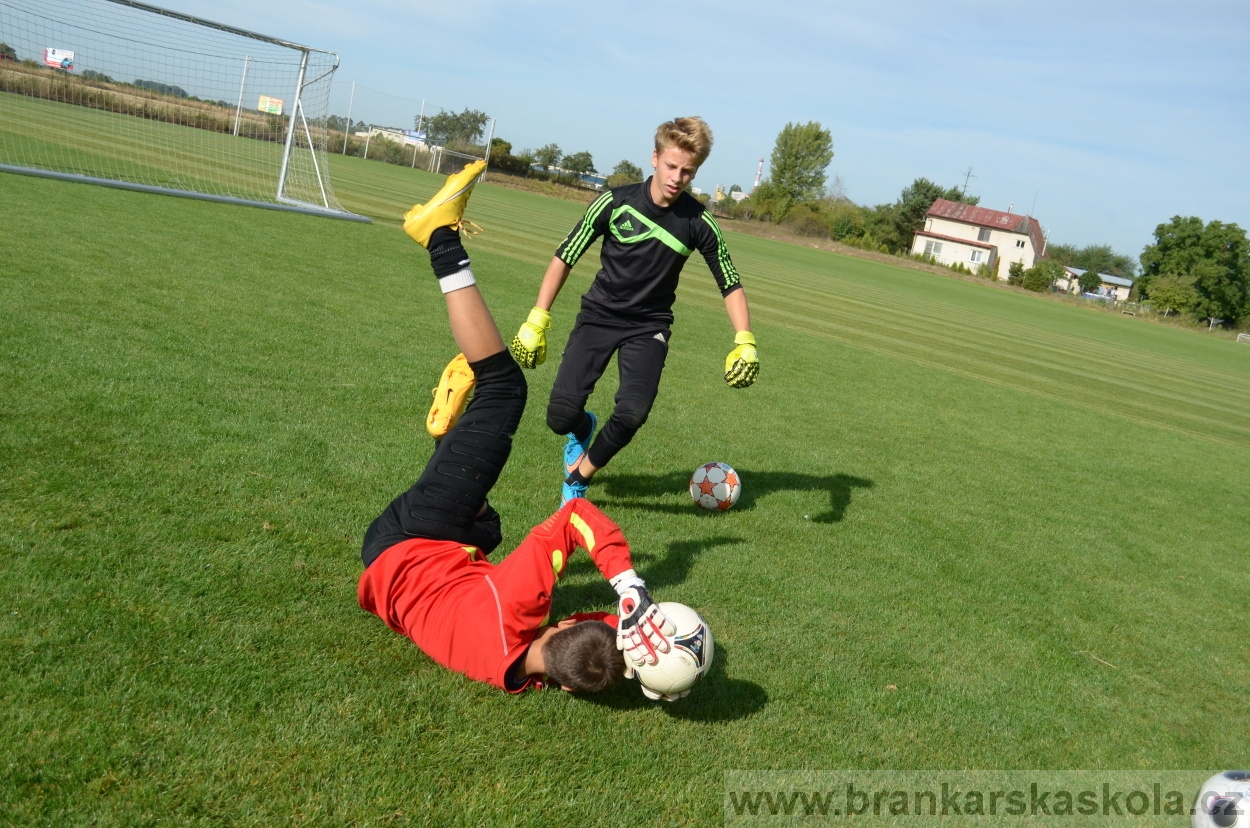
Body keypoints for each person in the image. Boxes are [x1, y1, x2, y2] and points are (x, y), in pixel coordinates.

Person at [358, 161, 681, 698]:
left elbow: (575, 516)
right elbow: (581, 649)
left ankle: (437, 235)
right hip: (398, 564)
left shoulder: (519, 602)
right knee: (489, 530)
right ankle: (450, 443)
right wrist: (647, 655)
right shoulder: (508, 670)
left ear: (556, 624)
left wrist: (629, 588)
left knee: (504, 389)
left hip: (417, 535)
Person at [509, 117, 760, 504]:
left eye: (688, 171)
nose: (677, 177)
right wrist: (536, 318)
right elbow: (565, 256)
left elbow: (730, 281)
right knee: (560, 417)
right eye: (671, 166)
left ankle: (578, 480)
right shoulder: (614, 202)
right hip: (599, 316)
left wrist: (744, 339)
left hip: (649, 326)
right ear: (655, 157)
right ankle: (584, 427)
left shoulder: (699, 222)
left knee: (632, 412)